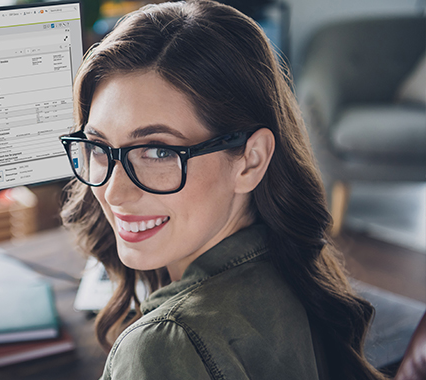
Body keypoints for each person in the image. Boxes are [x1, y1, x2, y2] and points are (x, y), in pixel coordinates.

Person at [59, 1, 387, 379]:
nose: (115, 192)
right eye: (99, 146)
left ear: (250, 160)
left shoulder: (163, 345)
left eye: (159, 151)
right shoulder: (295, 274)